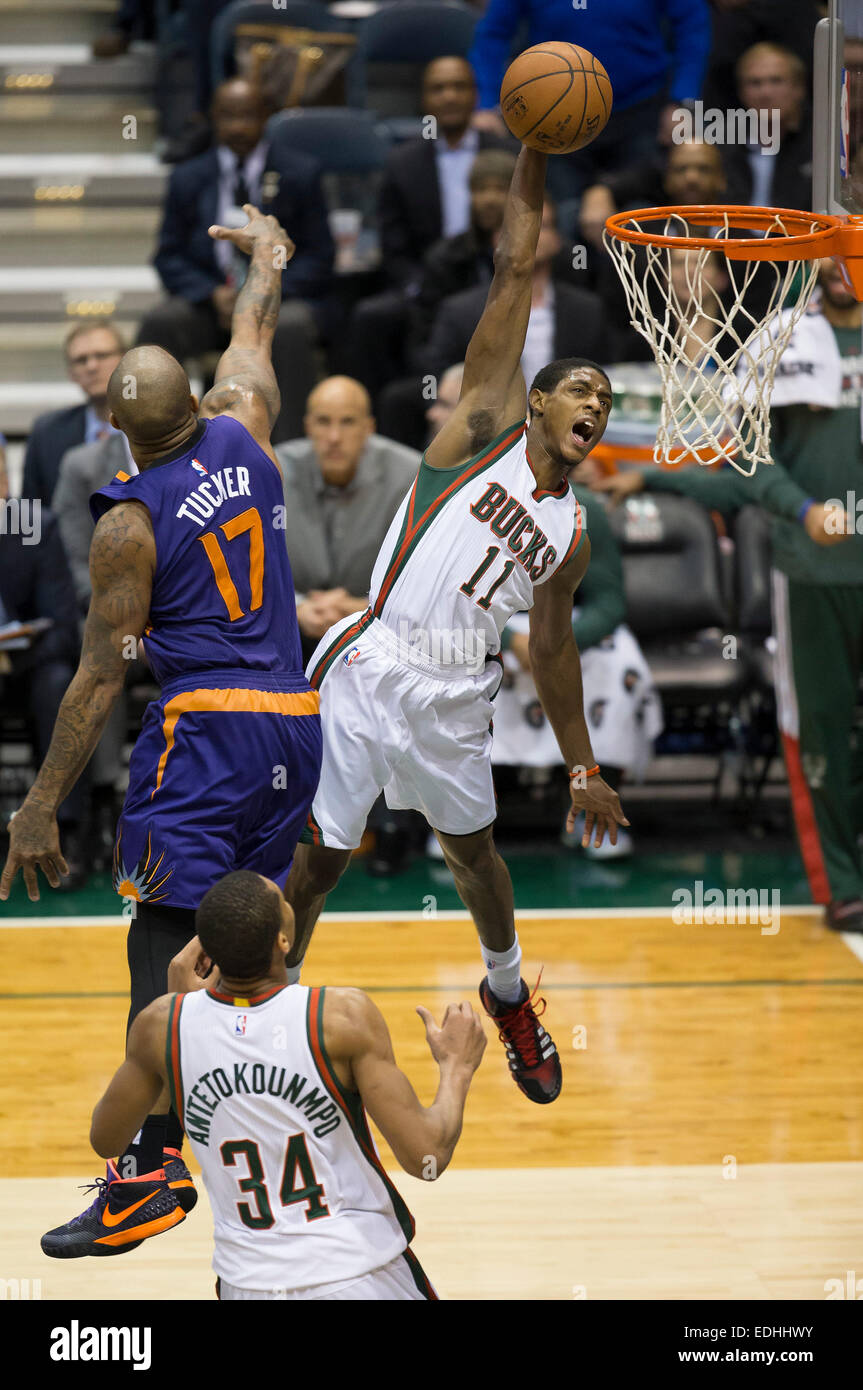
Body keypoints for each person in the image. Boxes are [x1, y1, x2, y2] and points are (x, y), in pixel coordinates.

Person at [2, 205, 322, 1251]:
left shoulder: (129, 521)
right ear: (197, 401)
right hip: (294, 723)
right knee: (247, 939)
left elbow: (101, 675)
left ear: (114, 429)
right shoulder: (248, 426)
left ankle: (146, 1170)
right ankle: (278, 1136)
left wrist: (39, 804)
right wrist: (266, 254)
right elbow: (254, 327)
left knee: (158, 940)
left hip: (207, 732)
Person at [284, 144, 628, 1108]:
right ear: (537, 400)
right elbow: (513, 266)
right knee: (318, 860)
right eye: (580, 389)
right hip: (372, 659)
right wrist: (534, 147)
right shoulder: (475, 431)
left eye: (605, 398)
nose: (595, 404)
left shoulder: (571, 533)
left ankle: (508, 995)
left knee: (474, 858)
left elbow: (551, 649)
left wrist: (582, 767)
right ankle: (267, 1007)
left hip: (457, 689)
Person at [44, 869, 486, 1290]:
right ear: (283, 940)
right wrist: (456, 1067)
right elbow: (427, 1157)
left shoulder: (163, 1027)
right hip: (358, 1275)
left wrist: (174, 1024)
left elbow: (107, 1140)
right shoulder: (341, 1018)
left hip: (248, 1284)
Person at [594, 258, 863, 931]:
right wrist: (803, 510)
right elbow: (749, 462)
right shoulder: (780, 340)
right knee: (821, 730)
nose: (842, 266)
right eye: (830, 251)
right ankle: (842, 884)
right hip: (811, 572)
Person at [138, 78, 335, 443]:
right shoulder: (187, 177)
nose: (238, 127)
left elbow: (320, 258)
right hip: (211, 305)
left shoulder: (301, 173)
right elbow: (168, 256)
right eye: (228, 116)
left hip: (277, 305)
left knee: (292, 328)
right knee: (160, 322)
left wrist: (262, 295)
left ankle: (289, 451)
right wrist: (212, 294)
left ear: (266, 116)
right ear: (213, 118)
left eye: (248, 115)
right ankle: (162, 446)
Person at [469, 0, 712, 201]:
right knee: (564, 212)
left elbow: (692, 23)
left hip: (641, 109)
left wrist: (682, 99)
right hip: (556, 117)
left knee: (637, 214)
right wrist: (487, 103)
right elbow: (494, 33)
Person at [275, 377, 420, 665]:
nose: (334, 437)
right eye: (323, 422)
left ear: (369, 427)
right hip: (288, 633)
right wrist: (295, 607)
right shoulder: (274, 472)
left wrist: (365, 608)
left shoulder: (410, 476)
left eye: (348, 422)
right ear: (307, 426)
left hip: (381, 639)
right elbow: (247, 564)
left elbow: (423, 578)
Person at [0, 451, 87, 888]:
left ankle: (65, 830)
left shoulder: (36, 526)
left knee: (58, 684)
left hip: (26, 666)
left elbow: (63, 628)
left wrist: (10, 656)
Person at [378, 56, 514, 293]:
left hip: (499, 278)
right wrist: (418, 289)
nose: (449, 96)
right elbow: (393, 246)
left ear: (476, 94)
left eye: (459, 86)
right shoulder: (401, 163)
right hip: (428, 283)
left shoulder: (510, 154)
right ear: (424, 99)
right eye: (438, 88)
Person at [21, 319, 125, 508]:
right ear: (71, 373)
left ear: (125, 360)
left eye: (102, 355)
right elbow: (30, 512)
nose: (91, 366)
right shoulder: (47, 433)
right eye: (81, 360)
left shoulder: (155, 427)